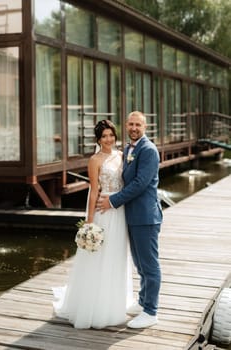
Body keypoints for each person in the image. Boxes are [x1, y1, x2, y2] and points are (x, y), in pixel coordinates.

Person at [52, 119, 133, 329]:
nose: (108, 139)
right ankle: (94, 305)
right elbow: (94, 190)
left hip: (119, 210)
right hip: (102, 211)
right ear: (98, 139)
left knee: (117, 255)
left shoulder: (123, 156)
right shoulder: (95, 160)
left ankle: (114, 301)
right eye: (104, 136)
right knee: (99, 257)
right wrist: (89, 222)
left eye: (111, 135)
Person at [97, 111, 163, 329]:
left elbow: (139, 184)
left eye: (138, 124)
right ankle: (143, 301)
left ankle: (151, 311)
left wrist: (112, 201)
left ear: (145, 127)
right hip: (132, 216)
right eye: (131, 124)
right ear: (126, 125)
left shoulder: (149, 150)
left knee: (150, 265)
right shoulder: (128, 149)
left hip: (146, 217)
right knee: (140, 264)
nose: (134, 127)